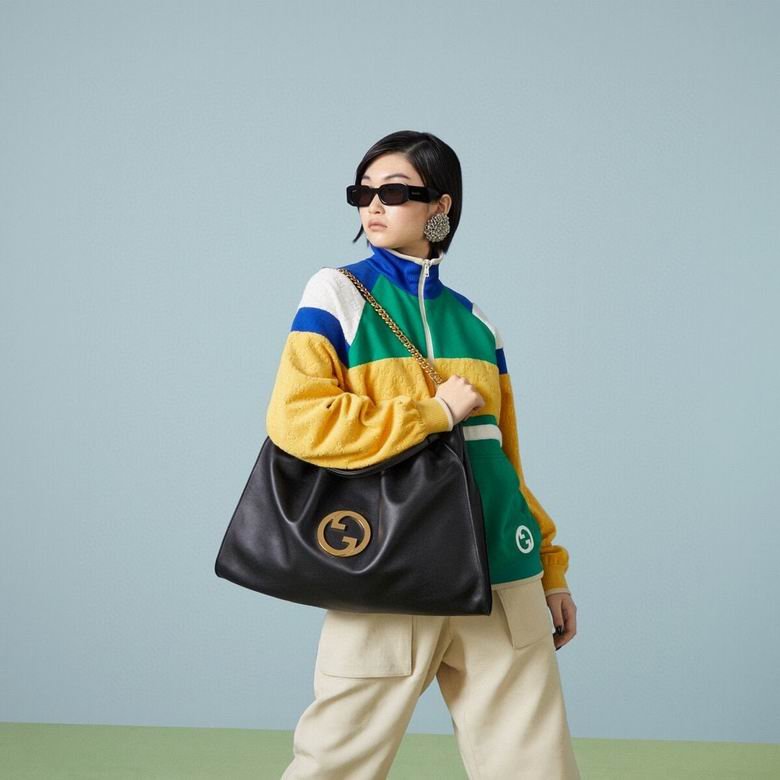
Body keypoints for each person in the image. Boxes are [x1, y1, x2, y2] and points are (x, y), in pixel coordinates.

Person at [266, 130, 581, 779]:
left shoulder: (478, 323)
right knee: (336, 762)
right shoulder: (337, 294)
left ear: (440, 206)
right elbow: (298, 420)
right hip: (391, 569)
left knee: (535, 767)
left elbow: (503, 461)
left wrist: (549, 567)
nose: (374, 205)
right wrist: (432, 414)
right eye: (363, 193)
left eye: (394, 191)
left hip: (503, 572)